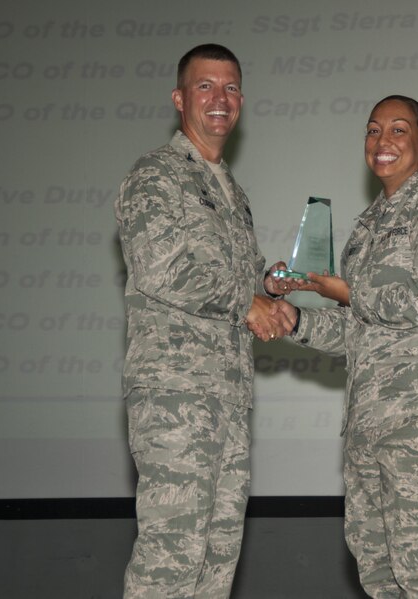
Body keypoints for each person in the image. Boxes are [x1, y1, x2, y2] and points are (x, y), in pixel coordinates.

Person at [279, 95, 418, 597]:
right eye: (373, 131)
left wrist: (349, 292)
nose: (383, 142)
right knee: (379, 577)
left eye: (398, 130)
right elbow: (358, 328)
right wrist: (294, 320)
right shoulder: (365, 229)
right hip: (370, 424)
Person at [115, 43, 295, 598]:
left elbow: (227, 282)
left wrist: (267, 287)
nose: (221, 99)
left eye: (232, 87)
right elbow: (162, 266)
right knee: (170, 561)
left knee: (216, 562)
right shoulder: (156, 175)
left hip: (227, 398)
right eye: (206, 86)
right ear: (179, 99)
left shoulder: (231, 191)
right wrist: (246, 303)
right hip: (175, 396)